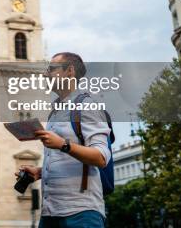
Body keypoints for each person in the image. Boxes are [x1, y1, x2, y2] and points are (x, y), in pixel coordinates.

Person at [17, 52, 111, 228]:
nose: (46, 74)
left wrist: (63, 144)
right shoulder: (55, 112)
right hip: (50, 212)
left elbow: (101, 157)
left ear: (69, 71)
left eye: (52, 69)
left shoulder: (87, 105)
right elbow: (65, 158)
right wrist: (40, 172)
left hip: (80, 213)